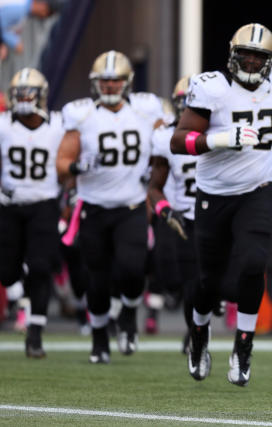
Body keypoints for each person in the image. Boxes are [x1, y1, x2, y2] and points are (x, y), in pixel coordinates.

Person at [170, 23, 272, 385]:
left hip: (257, 189)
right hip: (214, 193)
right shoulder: (212, 88)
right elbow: (178, 140)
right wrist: (218, 139)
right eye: (244, 53)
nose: (249, 60)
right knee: (208, 280)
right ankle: (199, 331)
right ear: (232, 54)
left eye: (257, 56)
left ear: (269, 61)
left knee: (253, 264)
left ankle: (244, 342)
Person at [56, 50, 164, 364]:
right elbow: (61, 163)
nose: (110, 85)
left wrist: (155, 170)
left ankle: (129, 312)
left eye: (116, 79)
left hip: (130, 205)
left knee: (132, 270)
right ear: (95, 83)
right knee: (97, 279)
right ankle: (100, 337)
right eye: (104, 80)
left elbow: (164, 145)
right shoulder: (82, 115)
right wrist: (79, 167)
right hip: (94, 207)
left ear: (127, 82)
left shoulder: (145, 111)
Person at [0, 67, 64, 357]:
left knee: (40, 268)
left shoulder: (58, 125)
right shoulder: (3, 125)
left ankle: (35, 334)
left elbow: (70, 160)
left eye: (29, 92)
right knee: (6, 271)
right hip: (9, 206)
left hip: (43, 204)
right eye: (20, 93)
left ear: (42, 95)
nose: (24, 97)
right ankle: (18, 294)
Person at [147, 75, 197, 350]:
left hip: (213, 214)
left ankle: (198, 326)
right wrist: (164, 210)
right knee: (176, 275)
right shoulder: (165, 136)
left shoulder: (218, 132)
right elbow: (155, 183)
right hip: (179, 214)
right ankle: (194, 326)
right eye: (184, 103)